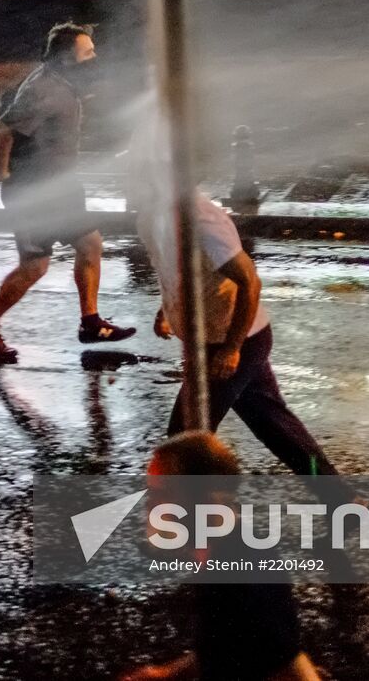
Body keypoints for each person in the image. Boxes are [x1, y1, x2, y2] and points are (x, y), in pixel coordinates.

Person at [128, 112, 342, 485]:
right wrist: (168, 308)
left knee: (185, 434)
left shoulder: (200, 219)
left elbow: (249, 283)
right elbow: (178, 267)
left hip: (231, 339)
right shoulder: (155, 211)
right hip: (217, 335)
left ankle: (190, 519)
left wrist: (231, 349)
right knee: (274, 425)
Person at [0, 22, 134, 362]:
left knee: (90, 244)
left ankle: (90, 322)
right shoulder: (43, 89)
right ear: (66, 59)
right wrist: (2, 173)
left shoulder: (63, 81)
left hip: (61, 186)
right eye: (87, 52)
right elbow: (3, 130)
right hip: (34, 192)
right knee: (35, 267)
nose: (94, 57)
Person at [118, 431, 321, 681]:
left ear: (205, 501)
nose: (149, 505)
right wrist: (164, 674)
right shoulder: (221, 553)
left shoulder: (245, 581)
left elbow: (285, 664)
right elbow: (229, 651)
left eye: (164, 493)